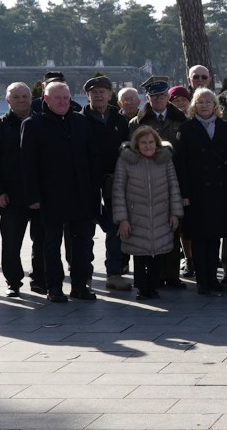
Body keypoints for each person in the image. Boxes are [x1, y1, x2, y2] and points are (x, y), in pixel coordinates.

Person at [21, 80, 103, 302]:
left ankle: (79, 286)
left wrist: (96, 191)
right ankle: (54, 287)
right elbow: (28, 165)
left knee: (82, 245)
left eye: (66, 98)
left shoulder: (81, 122)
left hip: (82, 196)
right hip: (51, 197)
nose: (62, 102)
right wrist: (33, 196)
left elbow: (93, 159)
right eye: (57, 97)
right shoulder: (33, 125)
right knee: (51, 245)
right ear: (46, 99)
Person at [173, 88, 227, 296]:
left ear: (215, 105)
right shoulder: (186, 128)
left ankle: (213, 279)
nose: (205, 105)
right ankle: (202, 282)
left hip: (219, 191)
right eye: (200, 102)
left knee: (215, 237)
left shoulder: (226, 128)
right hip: (196, 192)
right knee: (199, 239)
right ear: (194, 106)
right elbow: (181, 164)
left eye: (208, 101)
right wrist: (184, 194)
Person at [128, 76, 187, 289]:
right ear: (147, 98)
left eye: (162, 95)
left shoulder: (181, 119)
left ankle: (171, 275)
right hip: (146, 183)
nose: (159, 100)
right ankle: (149, 277)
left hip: (173, 181)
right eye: (155, 96)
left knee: (172, 228)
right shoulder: (137, 122)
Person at [112, 125, 183, 301]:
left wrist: (175, 213)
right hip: (136, 216)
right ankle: (142, 288)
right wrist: (122, 219)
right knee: (140, 255)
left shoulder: (165, 159)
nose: (148, 146)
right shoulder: (125, 161)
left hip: (161, 214)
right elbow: (118, 190)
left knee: (157, 255)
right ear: (136, 144)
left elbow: (174, 186)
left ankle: (153, 287)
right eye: (143, 142)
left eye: (151, 142)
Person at [0, 82, 42, 297]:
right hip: (10, 196)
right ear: (8, 100)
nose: (21, 100)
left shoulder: (41, 122)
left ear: (31, 98)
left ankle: (39, 279)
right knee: (11, 242)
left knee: (42, 240)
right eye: (16, 97)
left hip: (39, 194)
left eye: (24, 96)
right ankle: (13, 281)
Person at [82, 76, 132, 292]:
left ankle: (114, 273)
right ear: (88, 95)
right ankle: (83, 274)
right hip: (87, 182)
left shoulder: (121, 121)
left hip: (115, 181)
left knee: (114, 228)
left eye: (103, 91)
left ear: (110, 94)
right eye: (94, 92)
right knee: (84, 230)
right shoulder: (79, 120)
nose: (99, 95)